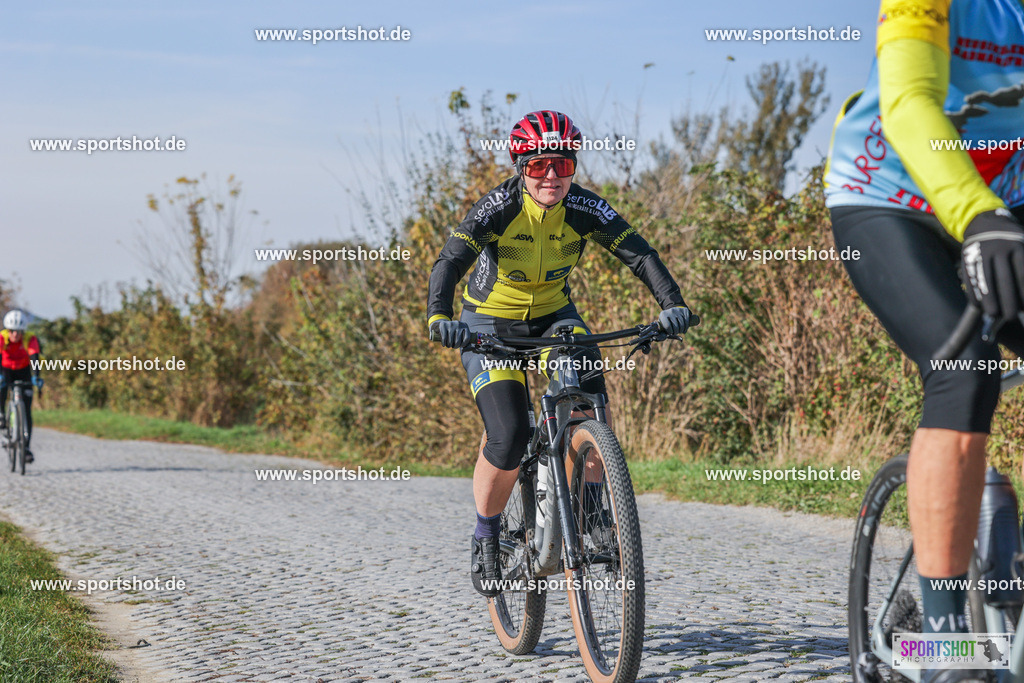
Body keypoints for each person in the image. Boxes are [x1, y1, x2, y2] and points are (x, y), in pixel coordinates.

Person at [824, 0, 1024, 680]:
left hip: (1005, 198)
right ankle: (945, 646)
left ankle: (993, 525)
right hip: (887, 195)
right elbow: (910, 101)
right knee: (964, 368)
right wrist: (978, 217)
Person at [426, 110, 693, 597]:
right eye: (539, 165)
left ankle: (591, 505)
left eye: (564, 165)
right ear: (520, 166)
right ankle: (487, 534)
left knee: (589, 400)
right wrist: (439, 317)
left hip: (554, 319)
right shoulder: (498, 207)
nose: (552, 175)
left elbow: (640, 253)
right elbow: (450, 260)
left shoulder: (586, 208)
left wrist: (672, 305)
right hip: (490, 326)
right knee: (508, 436)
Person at [0, 309, 43, 462]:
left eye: (18, 332)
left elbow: (34, 357)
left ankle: (26, 448)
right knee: (2, 386)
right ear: (8, 330)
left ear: (23, 331)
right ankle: (1, 414)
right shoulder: (2, 338)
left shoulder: (30, 339)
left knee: (26, 410)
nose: (15, 335)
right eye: (12, 331)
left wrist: (36, 377)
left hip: (23, 370)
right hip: (5, 369)